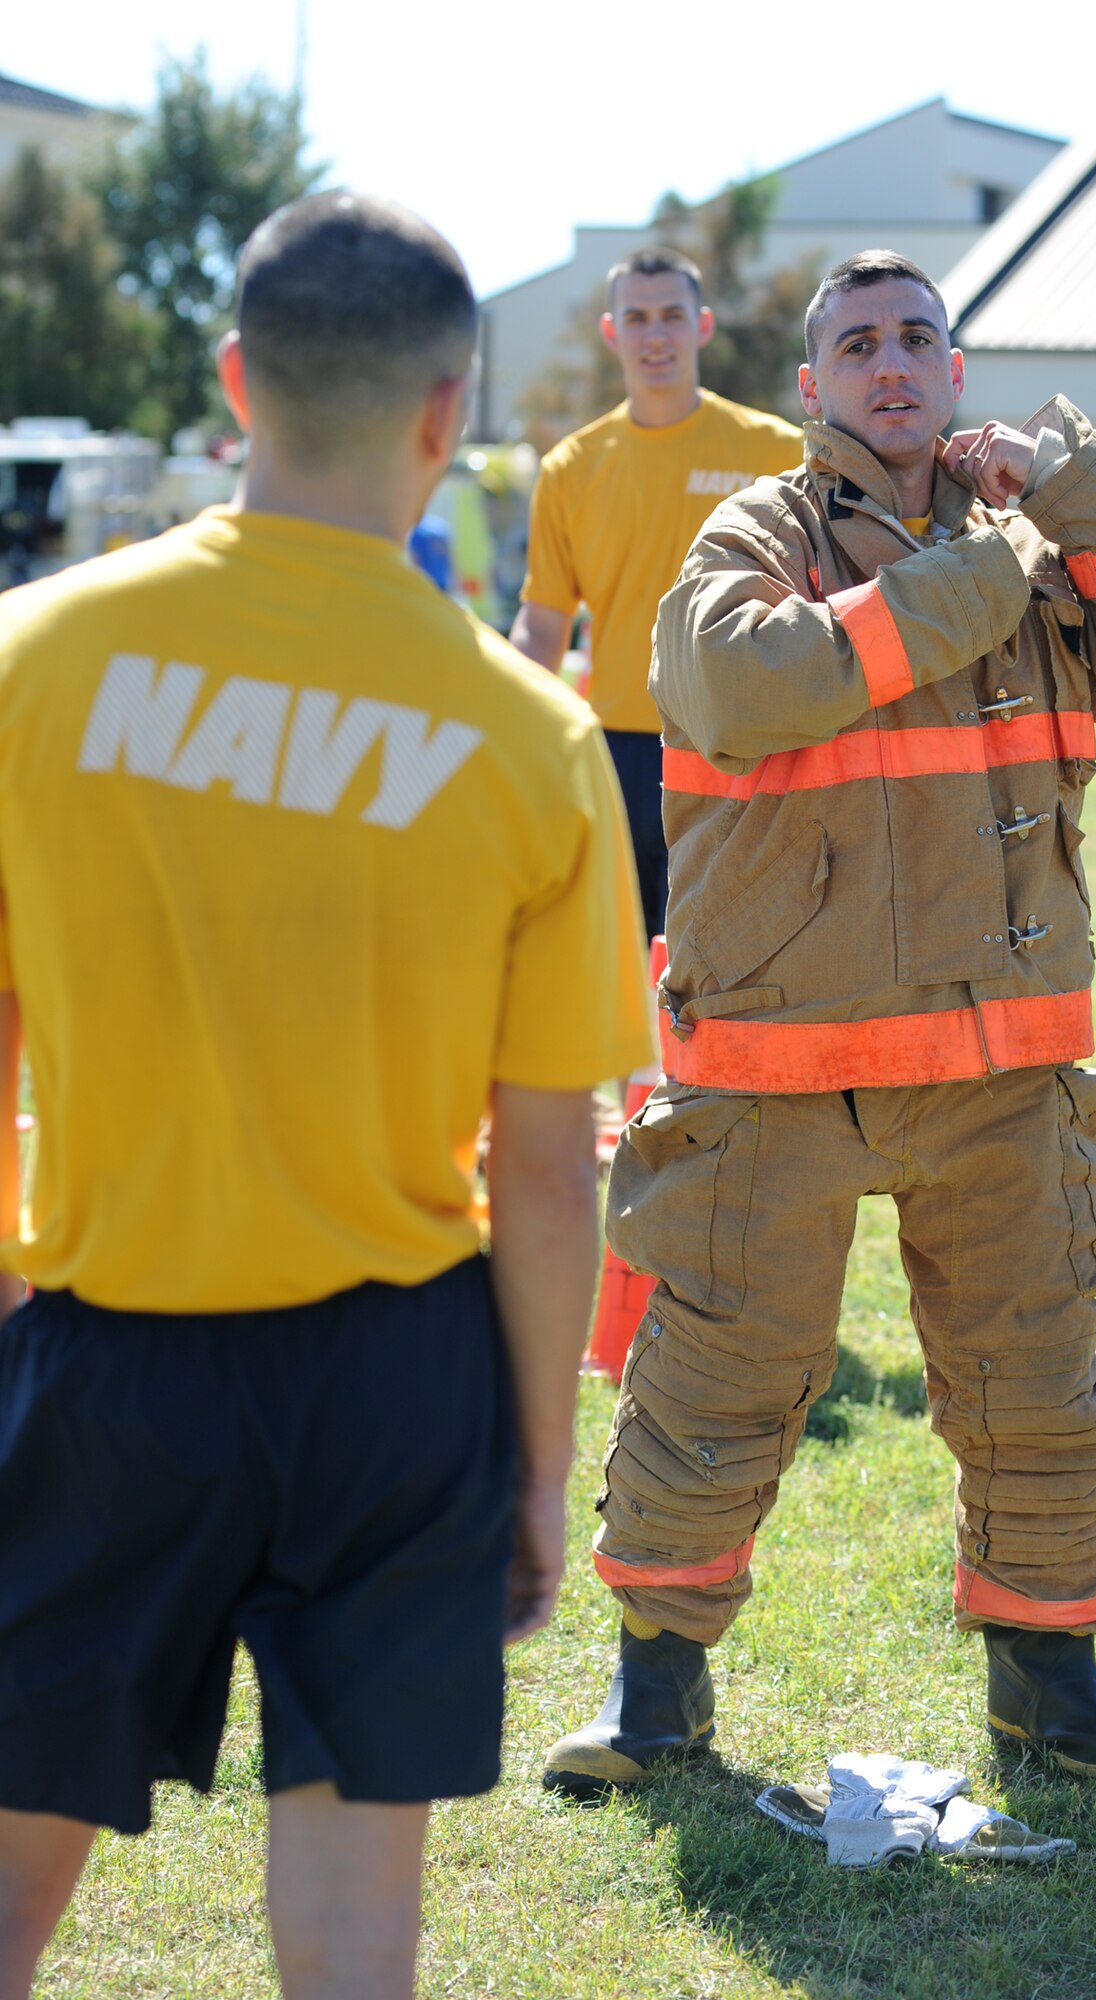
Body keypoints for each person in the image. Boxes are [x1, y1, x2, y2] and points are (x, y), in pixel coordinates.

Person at [0, 192, 651, 1999]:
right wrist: (537, 1469)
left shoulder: (28, 665)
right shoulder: (532, 738)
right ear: (450, 413)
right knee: (357, 1928)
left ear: (233, 384)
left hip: (104, 1349)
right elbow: (541, 1166)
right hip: (393, 1377)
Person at [543, 250, 1096, 1798]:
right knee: (715, 1384)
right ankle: (656, 1699)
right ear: (813, 387)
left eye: (920, 337)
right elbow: (731, 680)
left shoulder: (1037, 543)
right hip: (780, 1072)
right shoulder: (760, 532)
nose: (892, 362)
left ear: (956, 371)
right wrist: (966, 585)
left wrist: (1074, 483)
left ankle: (1053, 1692)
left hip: (1001, 1070)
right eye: (858, 343)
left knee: (1040, 1386)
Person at [509, 248, 801, 939]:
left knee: (743, 949)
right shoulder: (571, 469)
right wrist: (503, 713)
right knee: (629, 953)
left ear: (702, 326)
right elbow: (543, 622)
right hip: (621, 750)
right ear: (612, 333)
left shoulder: (774, 451)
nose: (655, 335)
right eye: (636, 318)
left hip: (740, 736)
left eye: (671, 315)